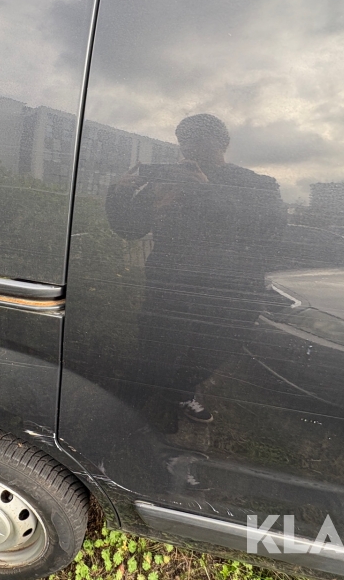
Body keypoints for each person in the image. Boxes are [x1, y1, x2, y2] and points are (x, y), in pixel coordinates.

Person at [106, 114, 286, 427]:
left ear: (223, 143)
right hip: (173, 288)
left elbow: (265, 230)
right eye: (184, 143)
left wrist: (206, 190)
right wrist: (120, 193)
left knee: (213, 352)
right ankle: (118, 418)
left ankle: (179, 391)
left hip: (232, 293)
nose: (190, 150)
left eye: (200, 141)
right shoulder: (169, 181)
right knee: (155, 358)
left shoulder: (257, 184)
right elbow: (130, 228)